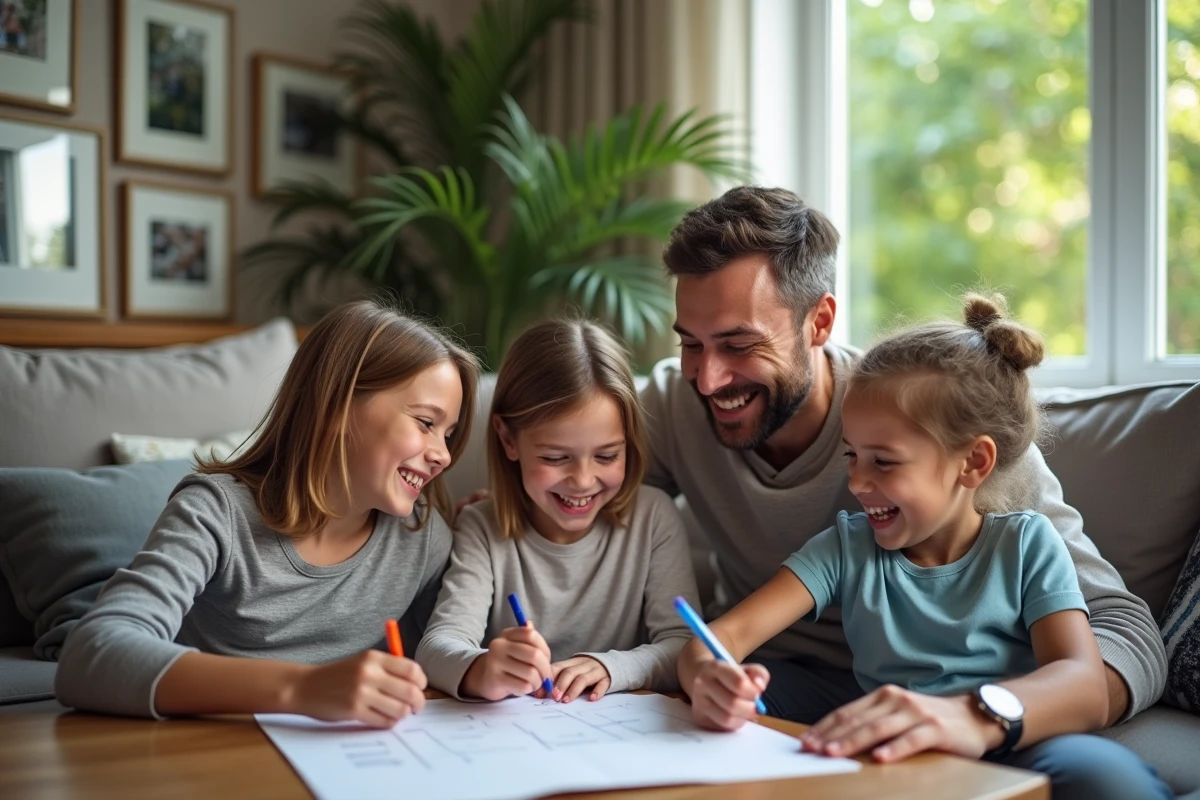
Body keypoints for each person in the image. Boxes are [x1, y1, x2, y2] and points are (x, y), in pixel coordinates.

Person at [641, 188, 1165, 744]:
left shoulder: (935, 423)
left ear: (819, 322)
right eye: (690, 344)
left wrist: (978, 716)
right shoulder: (675, 404)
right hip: (783, 689)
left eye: (738, 344)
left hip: (970, 711)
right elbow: (565, 488)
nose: (707, 378)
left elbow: (1127, 633)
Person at [676, 295, 1170, 798]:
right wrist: (710, 679)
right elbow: (717, 641)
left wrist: (974, 715)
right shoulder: (848, 548)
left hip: (1015, 739)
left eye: (884, 462)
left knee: (1106, 777)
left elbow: (1083, 682)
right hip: (889, 751)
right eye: (852, 455)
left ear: (973, 462)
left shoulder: (1026, 544)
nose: (858, 482)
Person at [55, 300, 479, 727]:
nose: (443, 455)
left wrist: (492, 531)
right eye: (426, 423)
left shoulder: (421, 535)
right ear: (337, 405)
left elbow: (457, 643)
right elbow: (91, 655)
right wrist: (303, 689)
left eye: (449, 434)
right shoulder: (215, 513)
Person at [416, 319, 700, 703]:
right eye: (555, 457)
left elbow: (685, 645)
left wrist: (609, 667)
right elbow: (437, 646)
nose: (583, 481)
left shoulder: (654, 518)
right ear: (508, 439)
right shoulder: (481, 527)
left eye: (607, 455)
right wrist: (482, 669)